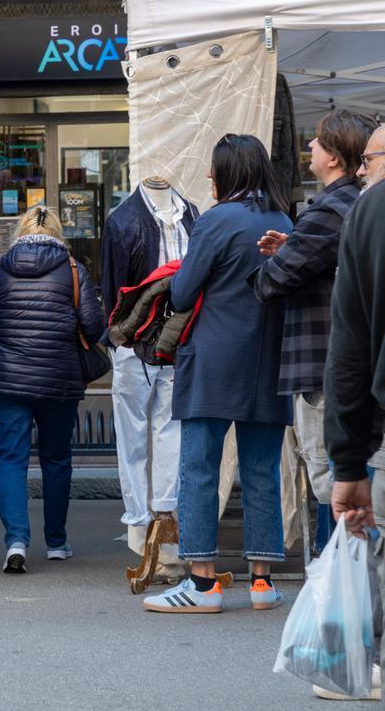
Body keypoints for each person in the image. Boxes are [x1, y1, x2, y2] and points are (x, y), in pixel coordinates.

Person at [143, 134, 292, 615]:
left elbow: (184, 293)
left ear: (230, 172)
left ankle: (202, 585)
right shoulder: (281, 220)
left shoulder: (216, 220)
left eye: (214, 169)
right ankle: (262, 583)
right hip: (268, 359)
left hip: (213, 359)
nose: (209, 176)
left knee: (199, 469)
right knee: (262, 470)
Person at [251, 110, 368, 544]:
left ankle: (349, 590)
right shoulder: (357, 204)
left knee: (329, 481)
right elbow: (330, 263)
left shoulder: (330, 209)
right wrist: (296, 247)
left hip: (321, 364)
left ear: (334, 157)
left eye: (316, 143)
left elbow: (269, 283)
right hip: (344, 362)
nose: (310, 149)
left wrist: (286, 254)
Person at [0, 206, 105, 574]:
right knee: (56, 459)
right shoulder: (72, 270)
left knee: (11, 459)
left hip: (7, 379)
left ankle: (16, 541)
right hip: (57, 379)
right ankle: (56, 542)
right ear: (58, 233)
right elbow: (94, 328)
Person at [326, 149, 385, 703]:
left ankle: (374, 663)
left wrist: (348, 461)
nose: (363, 169)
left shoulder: (369, 212)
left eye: (371, 157)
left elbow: (350, 348)